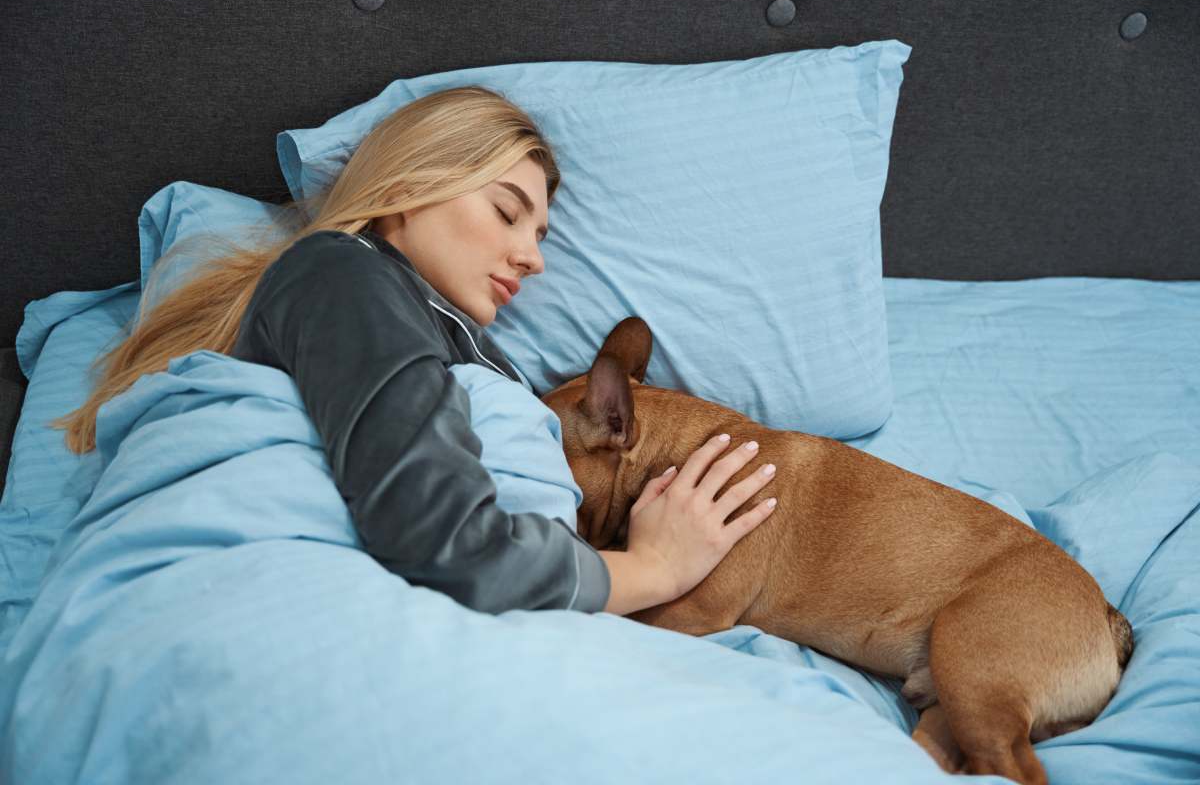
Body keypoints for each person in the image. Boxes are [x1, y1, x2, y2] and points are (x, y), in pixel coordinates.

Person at [52, 86, 779, 617]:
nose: (532, 259)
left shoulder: (463, 350)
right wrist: (651, 569)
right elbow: (451, 544)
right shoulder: (339, 270)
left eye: (542, 237)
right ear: (407, 187)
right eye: (506, 213)